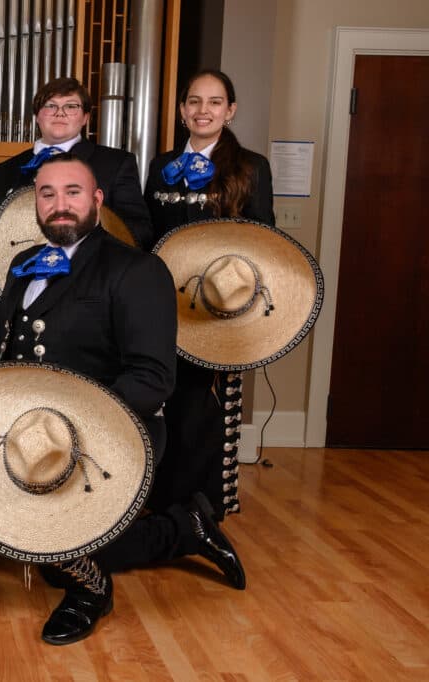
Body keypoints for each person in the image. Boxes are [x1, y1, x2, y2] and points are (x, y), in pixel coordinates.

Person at [0, 154, 243, 645]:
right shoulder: (22, 265)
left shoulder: (137, 269)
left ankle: (92, 592)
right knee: (23, 537)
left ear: (98, 201)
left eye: (73, 192)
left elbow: (152, 378)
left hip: (114, 431)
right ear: (35, 204)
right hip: (32, 433)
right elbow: (0, 357)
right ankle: (187, 526)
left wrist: (71, 428)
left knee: (59, 560)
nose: (59, 205)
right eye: (47, 194)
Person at [144, 69, 274, 525]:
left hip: (218, 309)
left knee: (205, 405)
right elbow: (148, 237)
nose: (203, 110)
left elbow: (264, 241)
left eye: (215, 102)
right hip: (163, 304)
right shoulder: (160, 166)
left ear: (230, 110)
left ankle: (200, 509)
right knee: (165, 398)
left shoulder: (252, 166)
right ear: (182, 111)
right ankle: (160, 501)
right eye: (194, 102)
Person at [0, 77, 152, 248]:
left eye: (71, 106)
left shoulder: (117, 163)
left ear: (85, 117)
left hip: (91, 271)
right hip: (19, 271)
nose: (60, 112)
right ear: (36, 116)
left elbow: (140, 232)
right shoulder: (4, 171)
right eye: (50, 105)